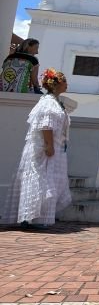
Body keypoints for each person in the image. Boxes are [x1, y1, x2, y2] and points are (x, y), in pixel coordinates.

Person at [4, 68, 72, 229]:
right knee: (40, 180)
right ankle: (33, 217)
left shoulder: (55, 102)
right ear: (57, 84)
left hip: (55, 145)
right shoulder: (48, 102)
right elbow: (46, 125)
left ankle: (36, 217)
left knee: (47, 180)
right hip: (45, 148)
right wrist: (49, 145)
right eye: (65, 81)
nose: (67, 84)